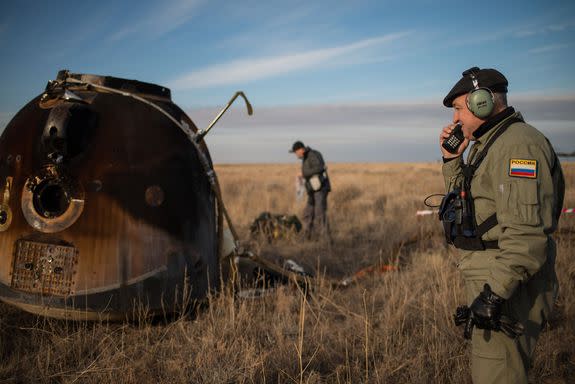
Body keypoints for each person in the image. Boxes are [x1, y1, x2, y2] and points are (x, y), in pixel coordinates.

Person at [438, 67, 565, 384]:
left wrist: (493, 294)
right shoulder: (490, 143)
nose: (455, 120)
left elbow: (526, 235)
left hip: (505, 283)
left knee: (497, 376)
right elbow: (467, 202)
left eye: (457, 109)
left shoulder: (517, 147)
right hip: (495, 276)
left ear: (482, 102)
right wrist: (452, 159)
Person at [289, 141, 331, 240]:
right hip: (312, 190)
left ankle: (325, 240)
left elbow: (320, 168)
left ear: (301, 149)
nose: (296, 154)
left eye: (296, 152)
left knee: (319, 214)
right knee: (307, 214)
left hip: (320, 189)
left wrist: (303, 173)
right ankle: (306, 237)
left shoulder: (313, 154)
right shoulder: (306, 157)